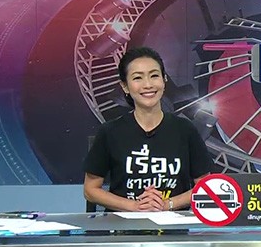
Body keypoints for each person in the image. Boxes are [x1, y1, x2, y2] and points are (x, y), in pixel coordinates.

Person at [83, 47, 212, 211]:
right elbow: (90, 190)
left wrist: (167, 204)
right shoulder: (110, 132)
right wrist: (135, 206)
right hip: (124, 223)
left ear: (164, 80)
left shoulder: (185, 129)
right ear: (125, 86)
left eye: (154, 76)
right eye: (138, 78)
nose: (148, 84)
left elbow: (205, 185)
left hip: (173, 223)